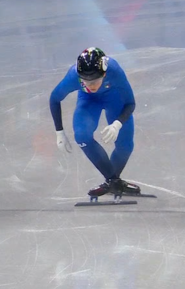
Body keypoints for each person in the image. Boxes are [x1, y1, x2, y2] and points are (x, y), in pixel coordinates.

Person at [50, 47, 138, 198]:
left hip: (114, 98)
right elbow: (54, 99)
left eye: (96, 80)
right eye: (86, 81)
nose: (92, 85)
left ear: (104, 73)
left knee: (125, 146)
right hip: (89, 100)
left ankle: (112, 182)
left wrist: (117, 124)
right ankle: (113, 181)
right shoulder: (73, 76)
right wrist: (59, 132)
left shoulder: (114, 71)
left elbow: (130, 103)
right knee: (82, 136)